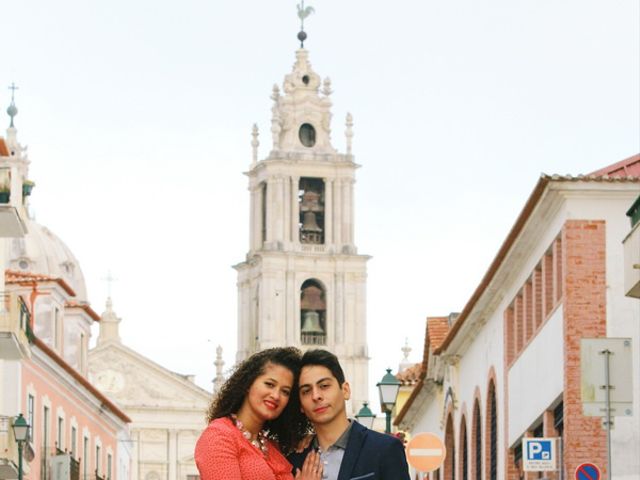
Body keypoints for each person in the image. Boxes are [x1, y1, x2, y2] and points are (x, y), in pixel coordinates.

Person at [195, 347, 322, 480]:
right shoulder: (219, 436)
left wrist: (312, 438)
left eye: (285, 391)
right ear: (248, 383)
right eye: (269, 384)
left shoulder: (271, 447)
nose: (276, 395)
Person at [288, 349, 411, 480]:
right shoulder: (293, 460)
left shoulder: (385, 449)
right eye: (306, 391)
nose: (316, 396)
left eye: (324, 386)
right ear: (300, 405)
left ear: (345, 390)